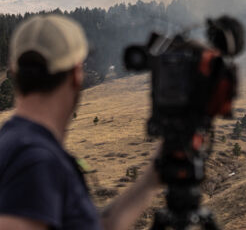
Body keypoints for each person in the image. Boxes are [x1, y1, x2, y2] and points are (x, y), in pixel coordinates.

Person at [0, 15, 161, 230]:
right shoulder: (36, 160)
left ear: (14, 72)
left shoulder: (17, 144)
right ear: (76, 74)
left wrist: (151, 179)